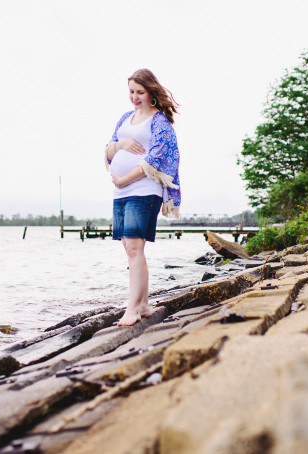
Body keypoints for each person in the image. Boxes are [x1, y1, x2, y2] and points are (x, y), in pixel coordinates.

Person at [104, 69, 181, 326]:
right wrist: (121, 146)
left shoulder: (159, 122)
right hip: (121, 191)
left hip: (144, 189)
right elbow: (109, 148)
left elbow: (156, 158)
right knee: (130, 247)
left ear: (151, 92)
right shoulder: (126, 118)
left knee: (135, 247)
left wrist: (125, 178)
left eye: (140, 92)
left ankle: (133, 309)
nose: (134, 97)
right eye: (131, 92)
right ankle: (144, 303)